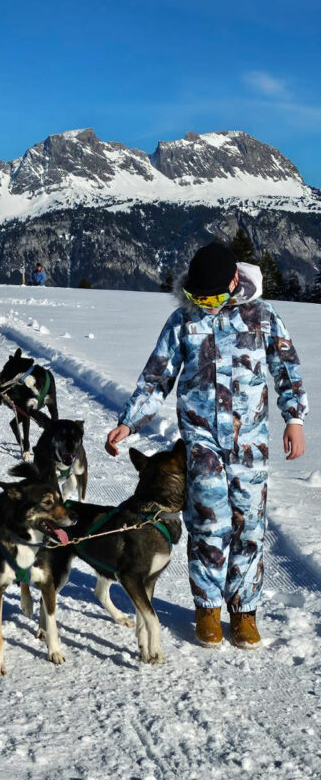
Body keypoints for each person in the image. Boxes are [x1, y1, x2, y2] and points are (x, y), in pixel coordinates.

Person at [105, 241, 307, 650]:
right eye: (200, 297)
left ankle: (244, 610)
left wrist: (295, 419)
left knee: (249, 524)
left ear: (234, 282)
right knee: (208, 524)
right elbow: (156, 376)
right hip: (201, 442)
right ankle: (208, 608)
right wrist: (130, 421)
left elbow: (286, 368)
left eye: (214, 297)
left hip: (250, 443)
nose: (208, 305)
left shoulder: (263, 318)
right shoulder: (183, 320)